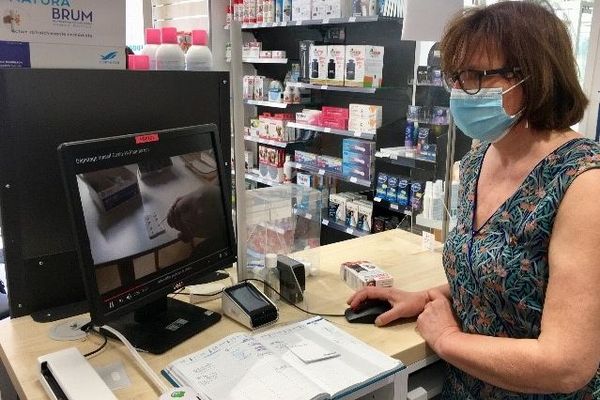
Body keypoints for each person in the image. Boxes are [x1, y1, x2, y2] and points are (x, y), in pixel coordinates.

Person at [348, 2, 600, 398]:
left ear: (535, 76)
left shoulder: (584, 184)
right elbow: (507, 278)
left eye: (478, 76)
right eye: (457, 76)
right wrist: (429, 296)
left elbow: (567, 364)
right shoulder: (477, 161)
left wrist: (446, 337)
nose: (462, 91)